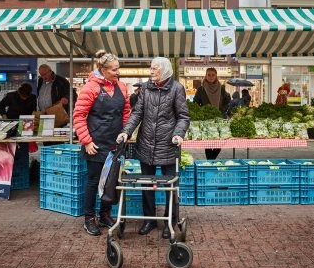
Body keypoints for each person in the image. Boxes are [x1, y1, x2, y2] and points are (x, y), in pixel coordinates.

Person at [117, 57, 190, 239]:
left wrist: (178, 134)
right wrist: (126, 131)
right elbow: (137, 113)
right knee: (147, 185)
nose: (151, 71)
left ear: (164, 70)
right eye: (151, 68)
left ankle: (170, 221)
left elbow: (183, 116)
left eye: (154, 69)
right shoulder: (146, 89)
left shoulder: (177, 88)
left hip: (168, 145)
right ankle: (149, 220)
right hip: (146, 144)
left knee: (171, 186)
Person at [73, 50, 130, 236]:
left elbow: (126, 112)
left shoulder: (121, 87)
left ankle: (105, 214)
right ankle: (89, 218)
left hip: (115, 143)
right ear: (102, 70)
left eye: (118, 69)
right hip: (95, 143)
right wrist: (86, 141)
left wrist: (125, 132)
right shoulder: (91, 87)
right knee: (94, 181)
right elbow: (79, 116)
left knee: (111, 181)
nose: (117, 72)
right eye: (113, 69)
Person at [193, 67, 231, 160]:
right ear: (205, 76)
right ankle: (210, 161)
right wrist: (202, 111)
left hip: (220, 118)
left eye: (213, 75)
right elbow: (195, 102)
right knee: (208, 141)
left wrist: (223, 111)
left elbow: (227, 100)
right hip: (207, 118)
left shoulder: (221, 88)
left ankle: (211, 160)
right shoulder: (201, 89)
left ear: (216, 76)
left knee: (221, 140)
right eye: (209, 75)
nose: (210, 77)